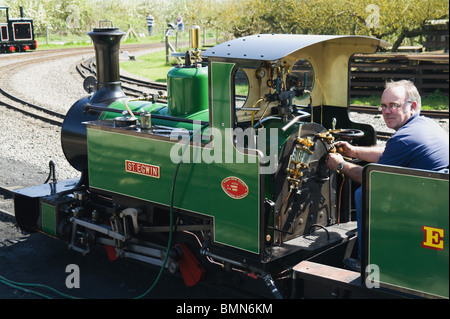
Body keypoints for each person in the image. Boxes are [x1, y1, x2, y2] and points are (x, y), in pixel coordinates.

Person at [326, 79, 449, 271]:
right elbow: (389, 154)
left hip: (435, 205)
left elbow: (372, 178)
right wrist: (354, 152)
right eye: (383, 106)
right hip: (438, 191)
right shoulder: (424, 124)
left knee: (365, 193)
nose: (386, 111)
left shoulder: (405, 138)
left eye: (394, 105)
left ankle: (367, 259)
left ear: (413, 106)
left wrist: (340, 165)